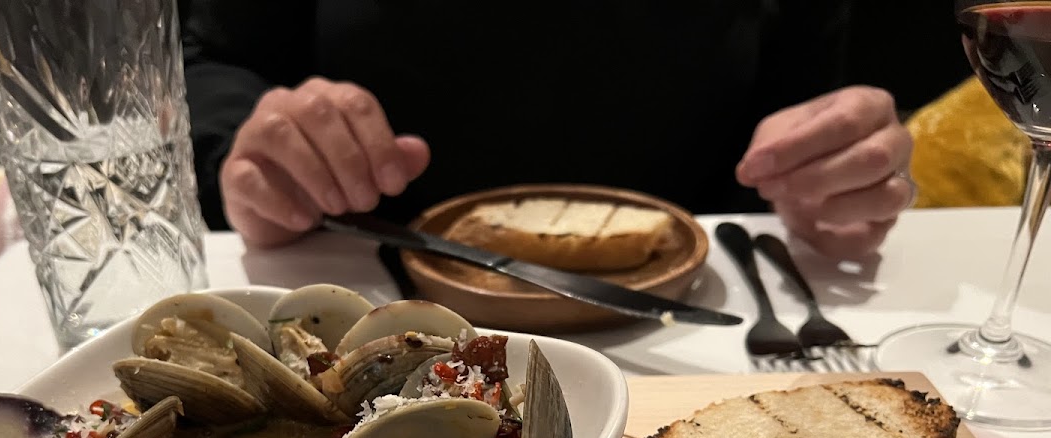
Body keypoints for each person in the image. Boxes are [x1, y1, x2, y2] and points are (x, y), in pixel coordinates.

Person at [182, 2, 914, 261]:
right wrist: (250, 150)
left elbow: (808, 101)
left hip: (695, 310)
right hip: (365, 282)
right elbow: (219, 58)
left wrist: (836, 167)